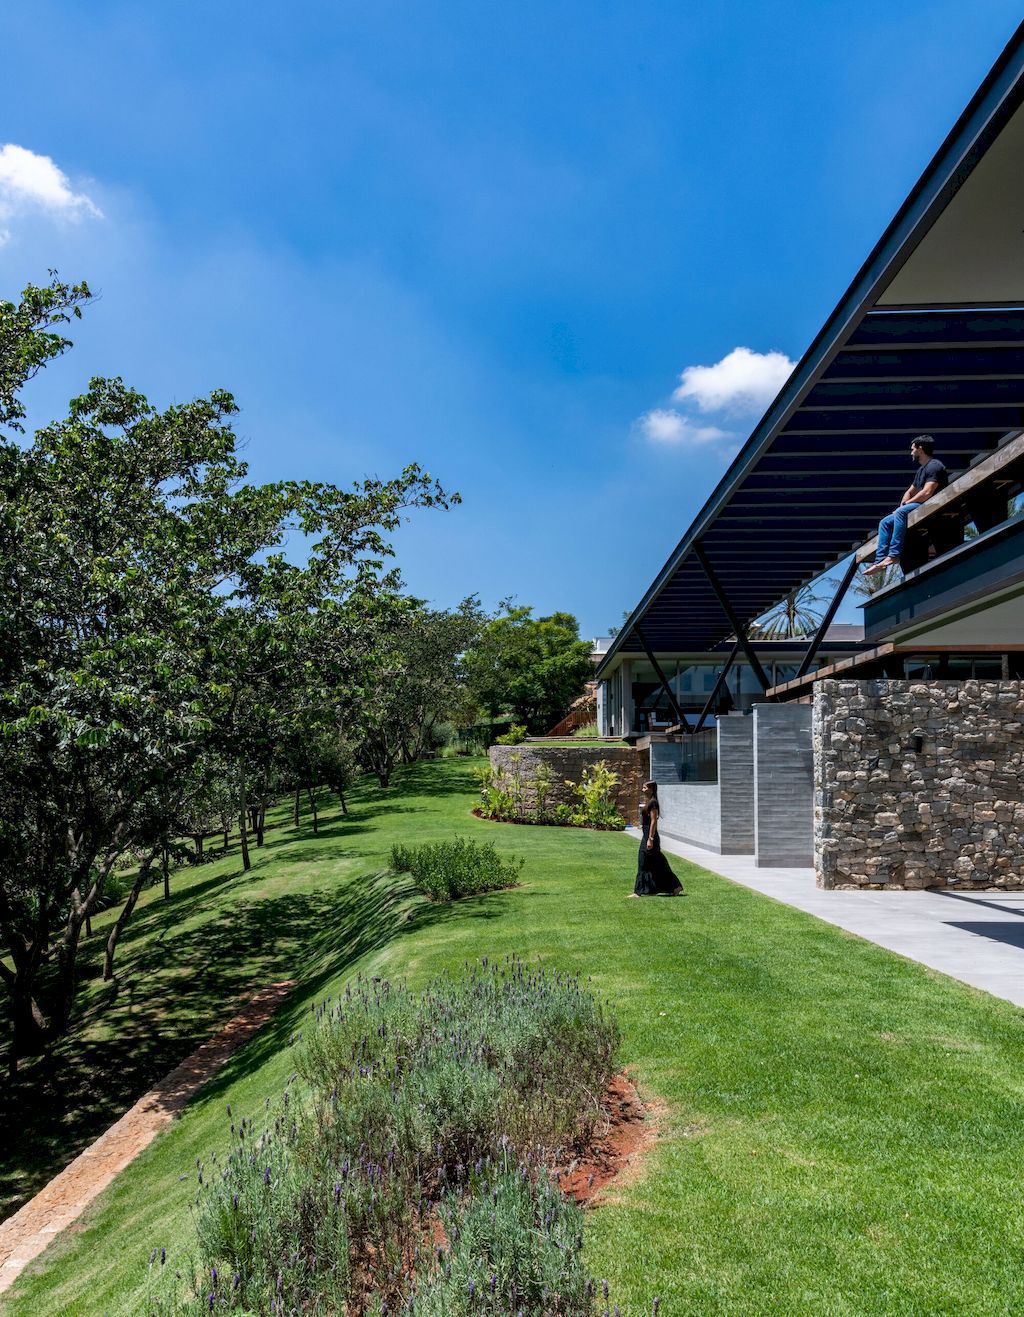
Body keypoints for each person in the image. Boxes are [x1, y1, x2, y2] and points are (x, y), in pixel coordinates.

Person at [863, 435, 948, 576]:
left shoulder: (935, 465)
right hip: (920, 505)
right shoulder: (921, 470)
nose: (911, 453)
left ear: (920, 449)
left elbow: (927, 492)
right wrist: (902, 505)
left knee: (901, 513)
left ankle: (894, 555)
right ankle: (880, 561)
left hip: (932, 504)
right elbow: (910, 490)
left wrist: (906, 505)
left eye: (913, 449)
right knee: (885, 522)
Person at [629, 781, 683, 897]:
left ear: (651, 789)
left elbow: (654, 821)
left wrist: (650, 839)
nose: (642, 789)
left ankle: (637, 892)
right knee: (657, 864)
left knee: (644, 861)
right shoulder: (649, 802)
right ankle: (675, 887)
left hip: (650, 836)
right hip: (646, 835)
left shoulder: (653, 803)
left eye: (645, 787)